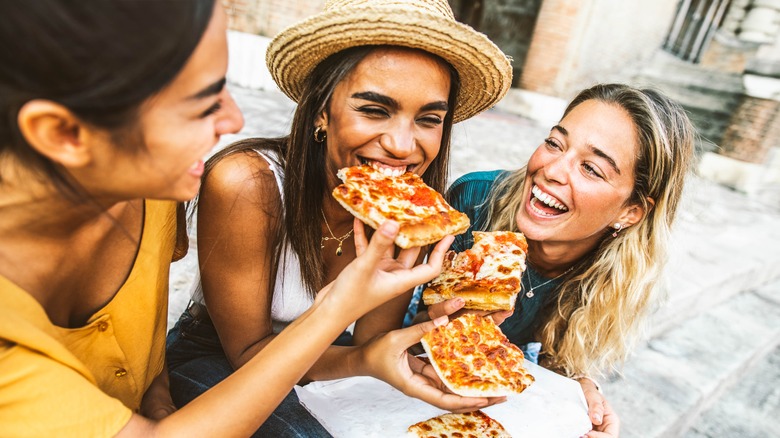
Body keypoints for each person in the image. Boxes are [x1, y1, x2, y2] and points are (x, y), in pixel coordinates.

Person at [0, 1, 468, 436]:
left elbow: (135, 338)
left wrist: (156, 392)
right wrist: (339, 310)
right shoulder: (233, 181)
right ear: (62, 132)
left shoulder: (155, 195)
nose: (237, 119)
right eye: (202, 99)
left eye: (429, 119)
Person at [165, 0, 513, 435]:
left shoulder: (416, 218)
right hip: (219, 357)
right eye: (374, 110)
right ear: (321, 112)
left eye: (428, 119)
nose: (403, 145)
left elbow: (369, 344)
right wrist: (365, 360)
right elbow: (249, 353)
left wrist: (437, 328)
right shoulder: (246, 182)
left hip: (332, 359)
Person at [425, 83, 696, 438]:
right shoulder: (474, 200)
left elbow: (553, 356)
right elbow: (395, 325)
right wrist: (434, 320)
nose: (552, 169)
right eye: (555, 143)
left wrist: (577, 389)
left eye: (591, 168)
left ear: (631, 211)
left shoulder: (621, 275)